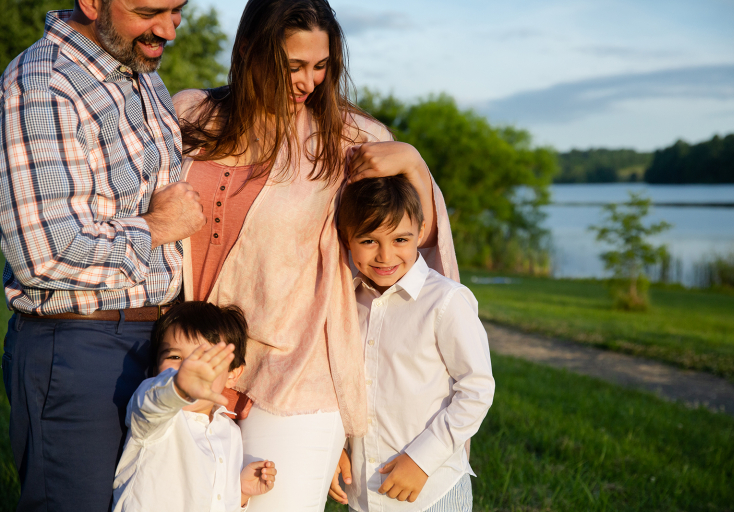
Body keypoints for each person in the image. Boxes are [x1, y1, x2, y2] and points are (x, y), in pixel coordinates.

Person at [172, 0, 459, 508]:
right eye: (293, 66)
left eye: (321, 66)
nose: (309, 82)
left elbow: (412, 241)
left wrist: (413, 164)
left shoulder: (349, 138)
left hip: (297, 376)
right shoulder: (193, 114)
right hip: (191, 357)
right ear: (249, 50)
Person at [0, 1, 206, 511]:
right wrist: (159, 226)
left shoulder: (139, 72)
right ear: (93, 3)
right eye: (150, 11)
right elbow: (44, 253)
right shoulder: (43, 83)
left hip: (152, 342)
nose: (168, 30)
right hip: (78, 346)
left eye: (177, 10)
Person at [330, 175, 495, 511]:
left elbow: (477, 389)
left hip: (433, 492)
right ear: (347, 238)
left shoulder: (446, 301)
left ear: (420, 232)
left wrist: (422, 460)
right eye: (369, 240)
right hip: (363, 493)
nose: (385, 255)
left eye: (400, 239)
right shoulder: (345, 302)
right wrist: (335, 449)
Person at [112, 301, 277, 512]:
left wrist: (240, 492)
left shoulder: (230, 432)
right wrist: (178, 386)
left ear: (232, 374)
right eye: (175, 357)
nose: (189, 368)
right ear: (155, 370)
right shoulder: (156, 417)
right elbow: (152, 401)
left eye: (206, 360)